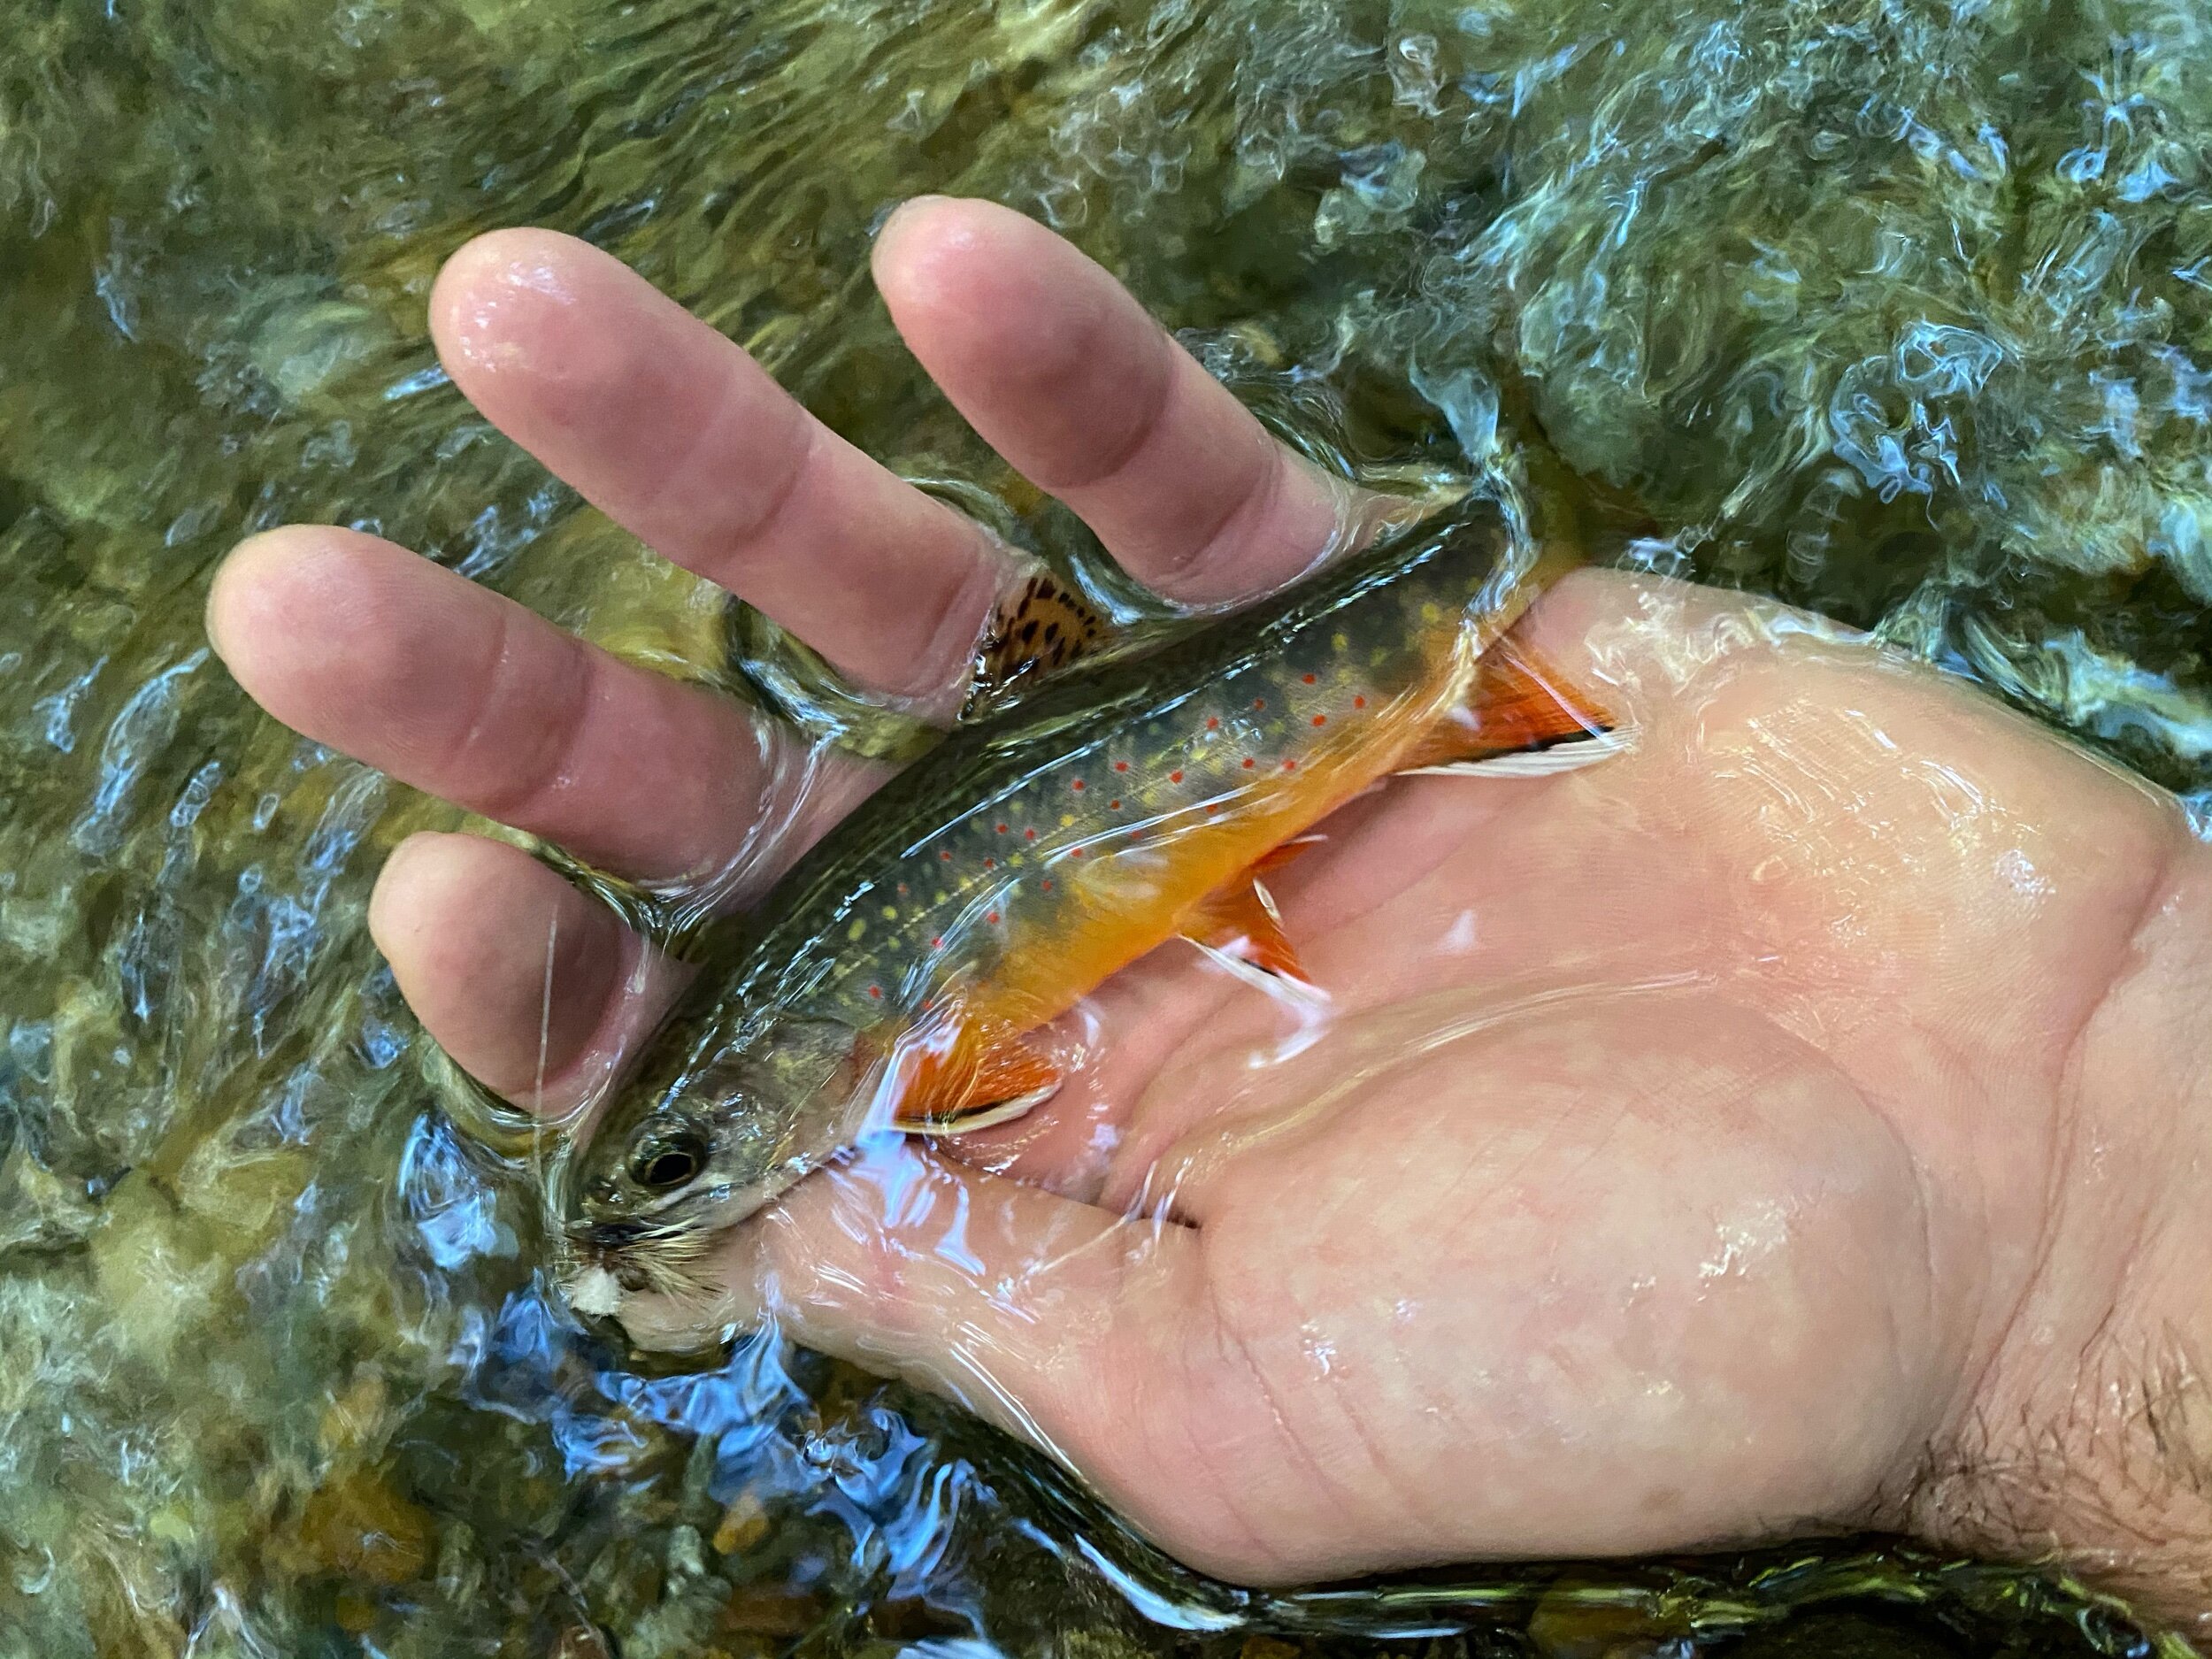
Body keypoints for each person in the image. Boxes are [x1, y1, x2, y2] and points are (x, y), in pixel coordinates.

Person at [204, 198, 2211, 1633]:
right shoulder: (873, 1056)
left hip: (1342, 691)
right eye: (691, 1163)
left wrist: (2084, 1228)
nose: (702, 1183)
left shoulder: (899, 1056)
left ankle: (1511, 551)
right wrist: (2064, 1267)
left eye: (695, 1149)